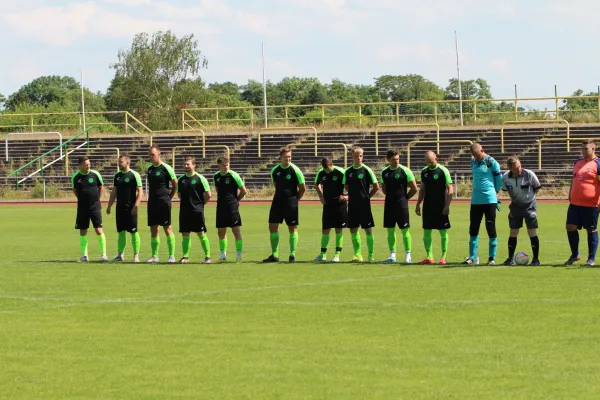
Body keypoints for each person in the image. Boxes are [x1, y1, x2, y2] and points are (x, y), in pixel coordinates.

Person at [263, 147, 306, 263]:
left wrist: (295, 200)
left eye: (290, 157)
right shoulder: (275, 170)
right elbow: (276, 185)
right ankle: (275, 255)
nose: (288, 159)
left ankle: (292, 255)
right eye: (286, 157)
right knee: (272, 226)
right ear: (280, 158)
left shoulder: (295, 170)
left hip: (291, 202)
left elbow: (302, 188)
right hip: (277, 201)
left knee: (292, 228)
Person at [464, 143, 502, 265]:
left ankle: (492, 258)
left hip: (489, 200)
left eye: (477, 155)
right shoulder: (473, 162)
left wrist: (495, 193)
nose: (476, 158)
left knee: (490, 227)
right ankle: (472, 257)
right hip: (475, 200)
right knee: (473, 228)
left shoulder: (491, 162)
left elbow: (499, 179)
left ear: (482, 150)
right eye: (474, 156)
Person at [501, 156, 542, 266]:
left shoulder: (529, 174)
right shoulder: (505, 177)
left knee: (532, 232)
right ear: (510, 169)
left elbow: (537, 188)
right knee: (513, 232)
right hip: (515, 207)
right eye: (516, 168)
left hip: (530, 207)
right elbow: (505, 190)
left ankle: (536, 260)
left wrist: (529, 199)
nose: (519, 169)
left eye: (520, 166)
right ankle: (510, 259)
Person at [565, 140, 600, 266]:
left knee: (591, 230)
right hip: (575, 203)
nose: (584, 151)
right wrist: (570, 192)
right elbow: (573, 179)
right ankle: (575, 254)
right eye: (583, 149)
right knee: (570, 227)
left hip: (591, 204)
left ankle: (591, 259)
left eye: (586, 149)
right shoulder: (577, 162)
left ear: (593, 149)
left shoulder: (598, 164)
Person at [415, 151, 453, 264]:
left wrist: (447, 206)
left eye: (430, 162)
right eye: (427, 162)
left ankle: (443, 257)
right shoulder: (424, 171)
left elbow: (450, 188)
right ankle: (429, 257)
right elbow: (422, 189)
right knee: (426, 231)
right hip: (428, 206)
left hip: (441, 206)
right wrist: (418, 204)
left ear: (436, 158)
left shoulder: (443, 171)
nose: (429, 164)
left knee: (442, 231)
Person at [380, 149, 417, 263]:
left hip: (402, 205)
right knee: (390, 231)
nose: (396, 161)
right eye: (393, 159)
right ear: (388, 160)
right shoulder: (384, 172)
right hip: (389, 205)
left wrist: (404, 199)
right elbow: (384, 189)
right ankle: (392, 255)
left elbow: (414, 188)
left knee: (405, 230)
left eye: (397, 159)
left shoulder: (405, 171)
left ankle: (408, 255)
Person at [343, 146, 379, 262]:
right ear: (352, 156)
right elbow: (346, 186)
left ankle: (371, 255)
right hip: (353, 205)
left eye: (360, 155)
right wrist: (353, 195)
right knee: (353, 229)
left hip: (364, 205)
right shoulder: (348, 171)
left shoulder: (367, 170)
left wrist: (367, 197)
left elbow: (376, 186)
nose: (358, 157)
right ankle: (357, 255)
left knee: (368, 229)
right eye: (356, 156)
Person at [106, 154, 143, 263]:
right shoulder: (117, 176)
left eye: (121, 162)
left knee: (133, 232)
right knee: (121, 232)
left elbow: (140, 191)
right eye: (118, 162)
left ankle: (136, 255)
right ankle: (120, 255)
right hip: (120, 209)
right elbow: (114, 192)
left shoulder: (134, 175)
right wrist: (109, 206)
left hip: (131, 209)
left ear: (127, 163)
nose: (119, 164)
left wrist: (136, 206)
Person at [71, 156, 107, 262]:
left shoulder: (95, 174)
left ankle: (104, 255)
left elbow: (101, 187)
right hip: (82, 208)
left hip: (95, 207)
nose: (88, 166)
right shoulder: (75, 177)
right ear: (80, 165)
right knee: (83, 230)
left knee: (98, 230)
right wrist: (82, 200)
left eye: (89, 164)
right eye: (86, 164)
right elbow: (75, 190)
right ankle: (84, 255)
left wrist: (97, 200)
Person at [146, 145, 178, 263]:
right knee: (154, 229)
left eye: (153, 155)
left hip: (164, 201)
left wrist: (169, 197)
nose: (151, 157)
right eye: (150, 155)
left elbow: (175, 184)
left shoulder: (166, 168)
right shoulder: (149, 169)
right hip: (152, 202)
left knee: (167, 228)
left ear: (159, 154)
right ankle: (155, 256)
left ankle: (172, 256)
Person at [177, 156, 211, 263]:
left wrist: (200, 204)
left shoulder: (200, 178)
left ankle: (208, 257)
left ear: (194, 165)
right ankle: (185, 257)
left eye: (188, 164)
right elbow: (179, 194)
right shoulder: (181, 179)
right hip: (184, 211)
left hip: (197, 210)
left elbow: (208, 194)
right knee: (185, 233)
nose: (186, 166)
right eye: (185, 164)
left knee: (200, 232)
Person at [213, 157, 248, 261]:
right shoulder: (216, 176)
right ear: (219, 166)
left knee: (236, 231)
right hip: (220, 207)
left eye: (227, 164)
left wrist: (236, 201)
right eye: (223, 165)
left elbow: (244, 191)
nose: (226, 166)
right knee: (221, 231)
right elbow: (218, 190)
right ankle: (223, 256)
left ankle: (238, 255)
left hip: (232, 207)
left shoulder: (233, 175)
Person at [314, 157, 348, 262]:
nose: (326, 171)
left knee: (338, 229)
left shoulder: (341, 172)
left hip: (339, 204)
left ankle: (337, 255)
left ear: (332, 164)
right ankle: (322, 255)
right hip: (328, 204)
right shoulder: (321, 172)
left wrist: (347, 196)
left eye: (328, 168)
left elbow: (351, 184)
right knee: (325, 230)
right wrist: (320, 196)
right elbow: (316, 184)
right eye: (324, 169)